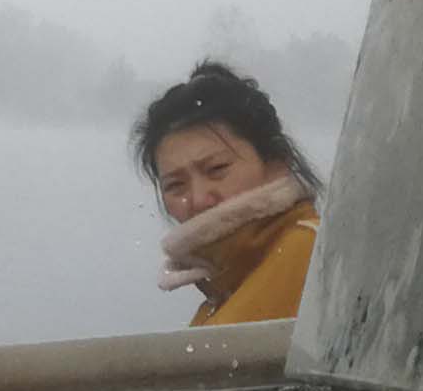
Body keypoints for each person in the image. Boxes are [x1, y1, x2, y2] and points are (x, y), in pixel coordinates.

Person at [135, 63, 323, 328]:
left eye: (217, 169)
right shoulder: (223, 290)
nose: (199, 199)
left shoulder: (313, 257)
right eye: (175, 185)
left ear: (277, 164)